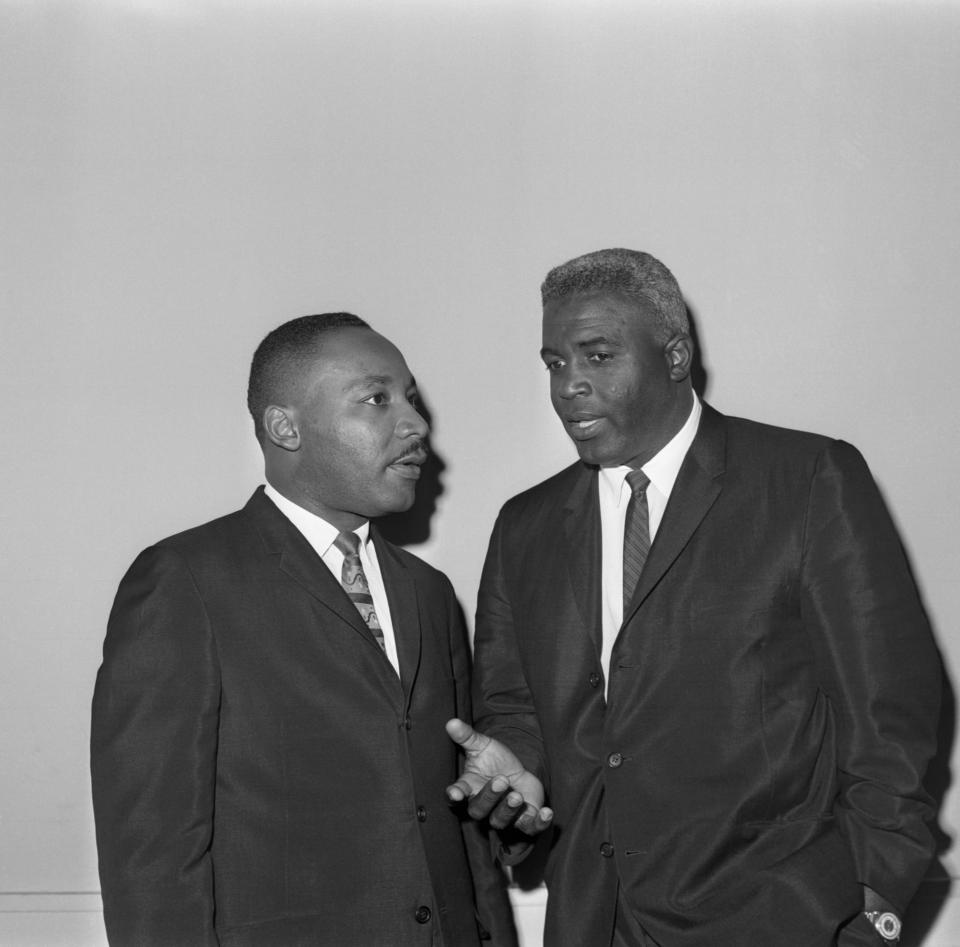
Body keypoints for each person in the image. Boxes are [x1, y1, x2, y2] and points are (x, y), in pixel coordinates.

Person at [446, 249, 941, 947]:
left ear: (674, 355)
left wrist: (873, 911)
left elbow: (892, 714)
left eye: (597, 356)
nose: (569, 387)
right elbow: (518, 709)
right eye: (556, 363)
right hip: (592, 920)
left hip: (782, 919)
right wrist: (518, 774)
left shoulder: (806, 481)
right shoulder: (525, 525)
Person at [91, 313, 517, 947]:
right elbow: (152, 853)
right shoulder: (186, 581)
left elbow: (456, 826)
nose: (415, 424)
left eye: (411, 398)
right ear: (284, 427)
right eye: (377, 399)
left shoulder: (428, 592)